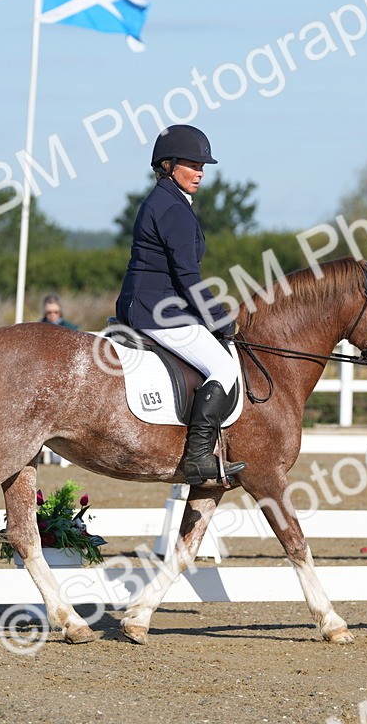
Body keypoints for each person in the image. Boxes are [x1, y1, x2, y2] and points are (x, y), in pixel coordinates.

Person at [115, 124, 245, 485]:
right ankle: (199, 457)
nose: (201, 172)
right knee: (224, 367)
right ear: (168, 164)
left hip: (150, 303)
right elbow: (187, 275)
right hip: (158, 310)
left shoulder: (166, 200)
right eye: (193, 164)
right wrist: (217, 317)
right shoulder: (172, 208)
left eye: (203, 166)